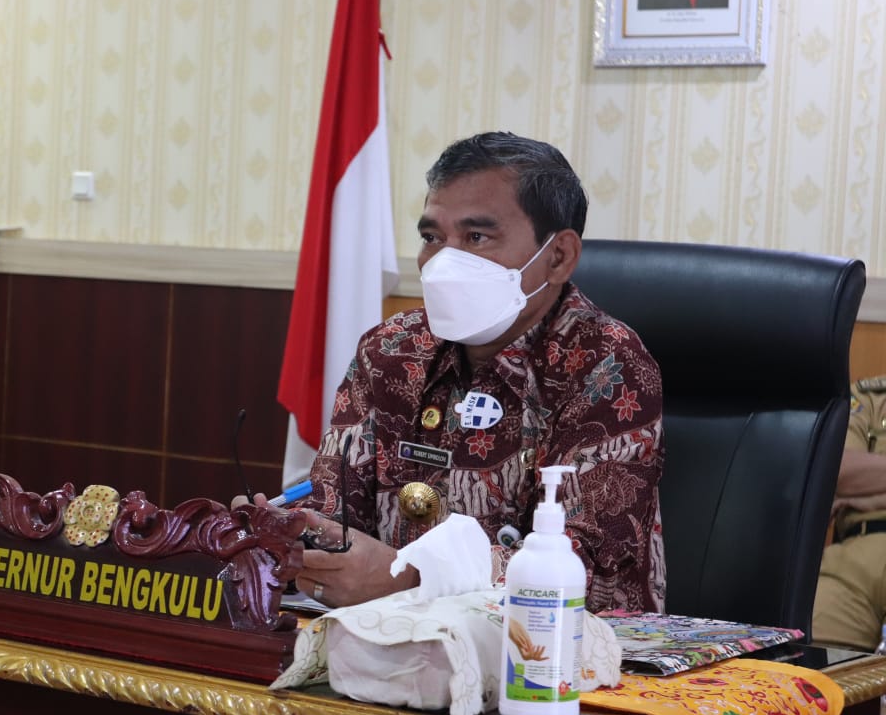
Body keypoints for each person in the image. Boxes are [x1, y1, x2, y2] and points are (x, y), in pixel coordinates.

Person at [276, 131, 665, 614]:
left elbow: (586, 567)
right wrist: (286, 534)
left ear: (558, 257)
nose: (444, 261)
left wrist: (411, 578)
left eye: (476, 237)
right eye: (432, 237)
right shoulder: (392, 349)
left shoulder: (606, 363)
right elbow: (335, 509)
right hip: (394, 640)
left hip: (565, 647)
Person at [811, 377, 886, 651]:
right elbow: (838, 470)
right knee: (805, 662)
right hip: (851, 563)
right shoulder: (868, 398)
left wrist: (868, 494)